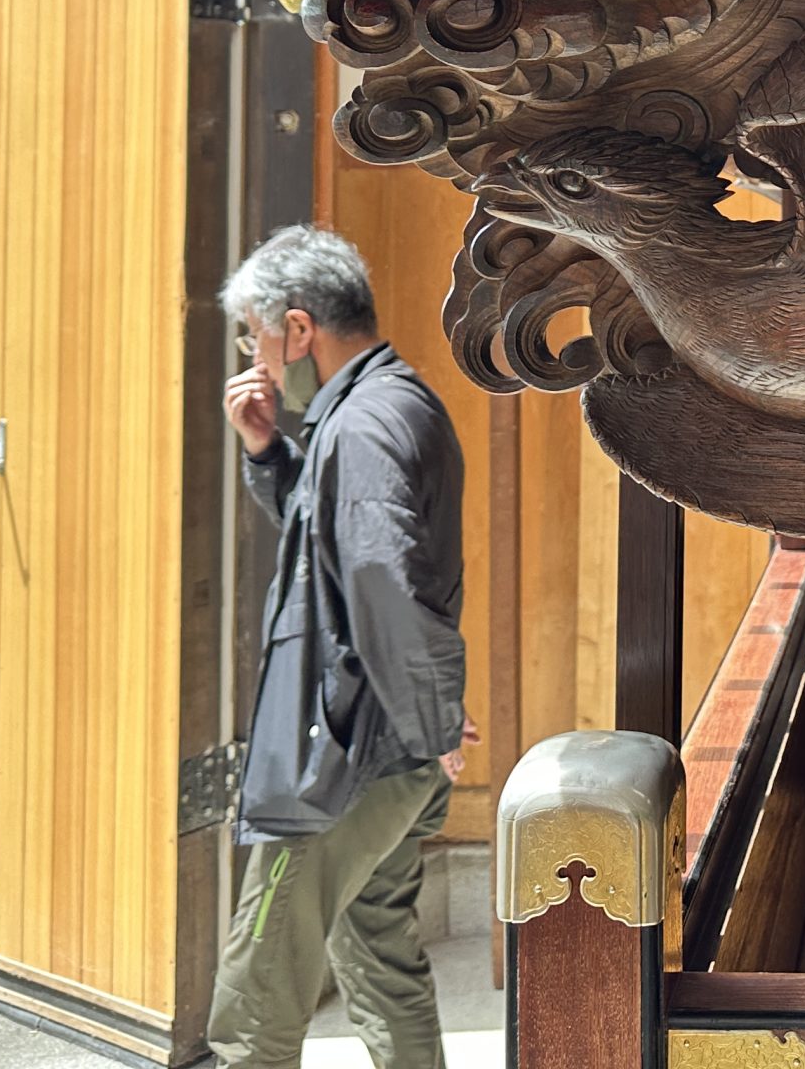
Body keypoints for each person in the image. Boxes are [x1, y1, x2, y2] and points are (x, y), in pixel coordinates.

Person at [207, 224, 476, 1069]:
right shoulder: (384, 405)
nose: (256, 354)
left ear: (298, 328)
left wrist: (437, 720)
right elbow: (339, 549)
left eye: (255, 333)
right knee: (380, 960)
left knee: (256, 998)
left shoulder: (362, 425)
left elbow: (382, 583)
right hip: (389, 755)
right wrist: (266, 450)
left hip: (343, 765)